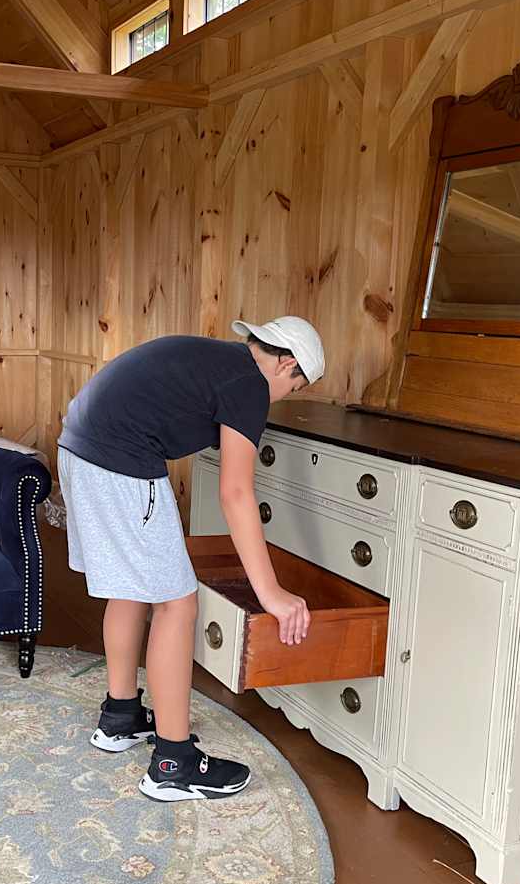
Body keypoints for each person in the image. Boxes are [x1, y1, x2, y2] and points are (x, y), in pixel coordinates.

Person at [56, 316, 325, 801]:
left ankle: (121, 717)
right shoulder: (250, 384)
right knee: (177, 603)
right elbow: (237, 493)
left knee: (131, 589)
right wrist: (271, 593)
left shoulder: (215, 361)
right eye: (295, 385)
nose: (285, 395)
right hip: (120, 463)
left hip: (79, 447)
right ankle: (173, 763)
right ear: (286, 362)